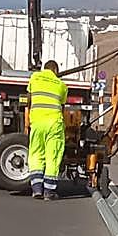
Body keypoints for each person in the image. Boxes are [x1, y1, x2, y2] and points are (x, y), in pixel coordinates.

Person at [26, 60, 68, 201]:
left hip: (37, 122)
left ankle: (37, 189)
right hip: (54, 124)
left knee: (36, 154)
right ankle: (49, 191)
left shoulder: (34, 78)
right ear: (55, 70)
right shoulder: (61, 85)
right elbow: (62, 107)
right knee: (53, 156)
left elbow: (29, 100)